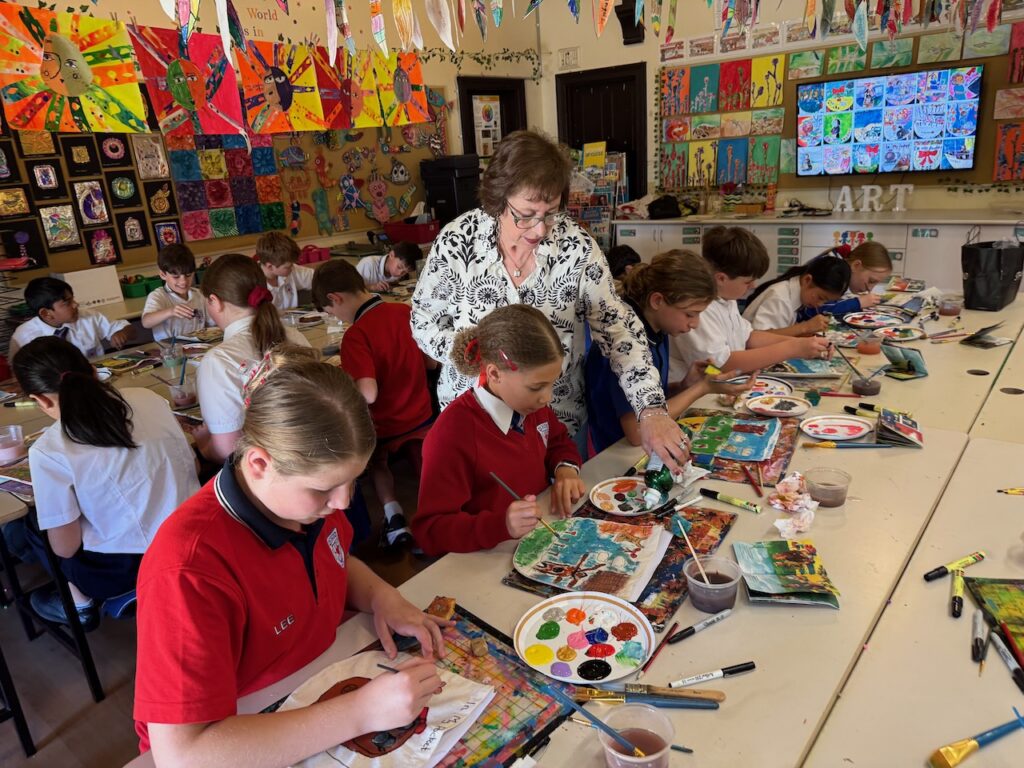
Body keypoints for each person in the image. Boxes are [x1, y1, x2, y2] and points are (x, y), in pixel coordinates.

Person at [134, 351, 448, 765]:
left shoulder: (305, 506)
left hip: (313, 680)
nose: (343, 502)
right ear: (259, 464)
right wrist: (359, 713)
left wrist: (380, 596)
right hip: (243, 733)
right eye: (324, 488)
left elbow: (333, 564)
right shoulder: (187, 570)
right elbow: (183, 756)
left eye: (353, 481)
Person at [412, 130, 688, 471]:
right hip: (473, 422)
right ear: (499, 199)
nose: (540, 229)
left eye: (551, 213)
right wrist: (465, 353)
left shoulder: (576, 248)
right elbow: (423, 318)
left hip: (555, 424)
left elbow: (620, 332)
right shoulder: (458, 241)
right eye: (526, 214)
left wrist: (651, 409)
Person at [10, 336, 198, 630]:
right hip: (193, 537)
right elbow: (193, 466)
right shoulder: (147, 398)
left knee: (34, 524)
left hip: (122, 571)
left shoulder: (49, 449)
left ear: (40, 400)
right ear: (94, 371)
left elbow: (65, 548)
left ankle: (81, 605)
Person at [413, 305, 585, 557]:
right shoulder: (452, 434)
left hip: (538, 543)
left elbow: (557, 442)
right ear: (494, 373)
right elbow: (431, 530)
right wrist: (501, 525)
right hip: (488, 559)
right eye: (536, 387)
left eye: (551, 384)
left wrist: (565, 469)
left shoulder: (531, 407)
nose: (547, 398)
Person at [312, 260, 435, 550]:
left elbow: (368, 394)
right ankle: (432, 519)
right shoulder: (404, 311)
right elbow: (430, 363)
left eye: (332, 312)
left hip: (385, 424)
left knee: (378, 464)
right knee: (423, 464)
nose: (338, 318)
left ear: (335, 298)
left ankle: (394, 519)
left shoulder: (356, 335)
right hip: (421, 414)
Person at [585, 251, 753, 453]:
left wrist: (684, 386)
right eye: (690, 314)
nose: (695, 324)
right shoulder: (628, 344)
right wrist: (701, 389)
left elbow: (651, 401)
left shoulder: (658, 329)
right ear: (657, 301)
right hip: (610, 454)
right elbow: (637, 431)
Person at [669, 226, 832, 380]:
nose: (753, 286)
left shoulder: (727, 298)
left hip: (721, 384)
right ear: (721, 279)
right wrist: (793, 348)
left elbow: (749, 337)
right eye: (747, 282)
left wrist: (805, 344)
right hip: (696, 389)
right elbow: (721, 365)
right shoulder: (699, 309)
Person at [194, 253, 309, 463]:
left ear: (214, 301)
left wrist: (203, 445)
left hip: (276, 470)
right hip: (313, 453)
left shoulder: (219, 361)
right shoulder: (295, 336)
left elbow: (228, 452)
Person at [9, 277, 132, 359]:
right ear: (46, 313)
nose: (75, 304)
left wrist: (122, 333)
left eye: (73, 299)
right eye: (67, 303)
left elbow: (129, 329)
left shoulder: (87, 316)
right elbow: (18, 375)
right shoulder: (24, 337)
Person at [742, 253, 852, 335]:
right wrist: (805, 327)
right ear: (807, 280)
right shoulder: (780, 298)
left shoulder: (796, 293)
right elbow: (759, 338)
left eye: (825, 301)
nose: (820, 304)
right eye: (820, 297)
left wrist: (806, 334)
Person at [801, 241, 894, 319]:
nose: (870, 289)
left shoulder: (842, 268)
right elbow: (813, 309)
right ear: (856, 265)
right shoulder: (833, 270)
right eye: (871, 281)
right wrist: (858, 303)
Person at [141, 243, 209, 342]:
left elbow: (210, 324)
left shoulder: (199, 294)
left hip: (198, 346)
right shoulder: (158, 296)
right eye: (176, 277)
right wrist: (171, 311)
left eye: (188, 275)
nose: (183, 281)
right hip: (170, 349)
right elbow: (146, 322)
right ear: (163, 275)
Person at [255, 231, 315, 310]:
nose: (292, 268)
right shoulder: (252, 284)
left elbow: (318, 278)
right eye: (288, 267)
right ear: (270, 267)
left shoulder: (291, 270)